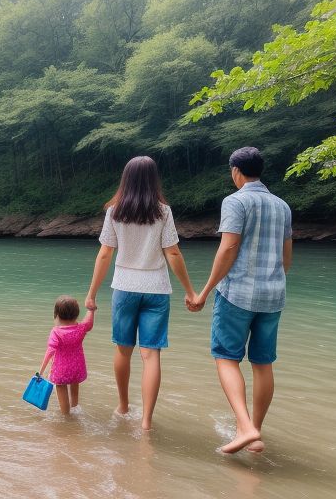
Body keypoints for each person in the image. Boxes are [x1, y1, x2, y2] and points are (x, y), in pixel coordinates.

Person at [187, 147, 292, 454]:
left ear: (236, 171)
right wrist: (271, 279)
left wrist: (204, 292)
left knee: (225, 357)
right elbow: (287, 259)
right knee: (263, 362)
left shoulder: (236, 201)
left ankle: (244, 427)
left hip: (238, 293)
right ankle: (255, 432)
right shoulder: (282, 206)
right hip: (274, 295)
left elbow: (228, 248)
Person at [85, 156, 196, 431]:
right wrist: (190, 291)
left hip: (124, 287)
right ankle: (146, 422)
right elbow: (172, 252)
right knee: (151, 355)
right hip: (156, 289)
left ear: (126, 179)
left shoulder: (115, 211)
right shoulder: (163, 211)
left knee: (123, 350)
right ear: (153, 179)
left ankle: (123, 406)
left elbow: (104, 253)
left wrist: (92, 294)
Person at [39, 296, 95, 414]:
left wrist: (41, 371)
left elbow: (50, 352)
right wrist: (91, 310)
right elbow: (89, 323)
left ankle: (66, 415)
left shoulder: (56, 331)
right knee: (74, 384)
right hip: (77, 368)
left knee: (60, 386)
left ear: (57, 314)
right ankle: (75, 407)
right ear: (77, 314)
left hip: (61, 370)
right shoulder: (81, 328)